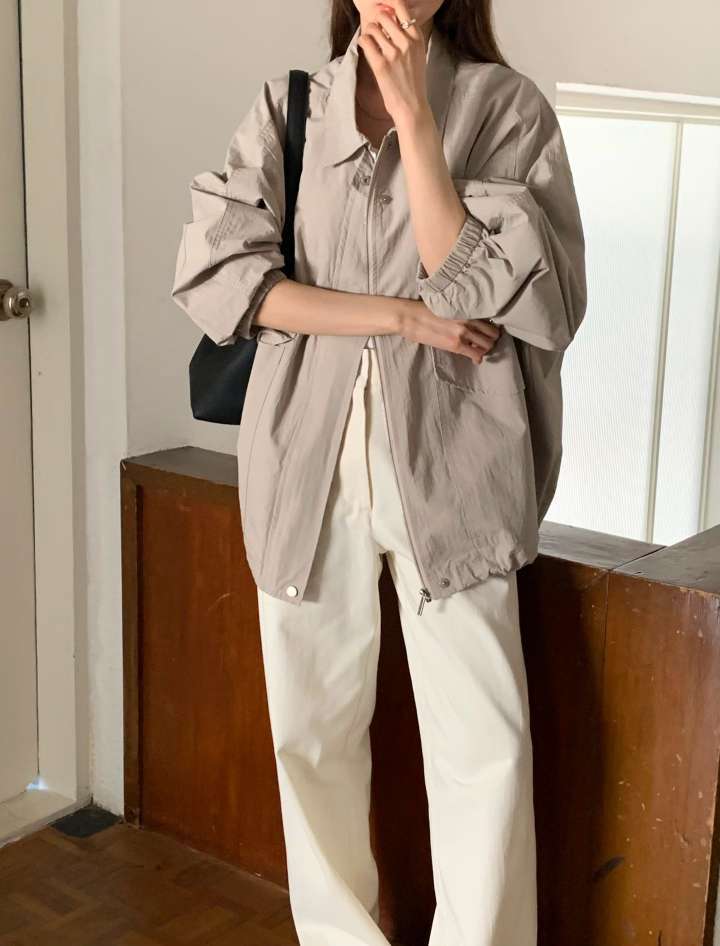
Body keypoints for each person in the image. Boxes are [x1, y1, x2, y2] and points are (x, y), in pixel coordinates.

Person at [170, 0, 587, 943]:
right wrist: (398, 317)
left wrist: (417, 122)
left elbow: (501, 295)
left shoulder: (507, 107)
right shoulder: (289, 107)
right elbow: (228, 280)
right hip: (305, 463)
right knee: (309, 738)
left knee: (487, 749)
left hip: (458, 468)